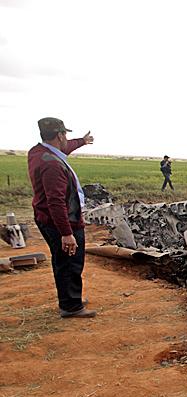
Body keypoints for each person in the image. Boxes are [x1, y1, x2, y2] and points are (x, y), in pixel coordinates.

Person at [28, 117, 96, 318]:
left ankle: (70, 298)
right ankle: (71, 307)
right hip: (61, 221)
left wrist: (82, 141)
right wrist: (66, 233)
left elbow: (64, 149)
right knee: (70, 262)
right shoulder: (52, 165)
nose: (67, 138)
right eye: (65, 134)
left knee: (63, 261)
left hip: (47, 218)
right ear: (59, 135)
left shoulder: (39, 152)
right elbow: (55, 202)